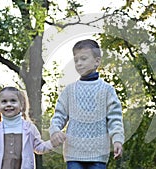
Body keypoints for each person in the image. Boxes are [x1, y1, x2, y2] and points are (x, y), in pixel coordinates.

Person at [49, 39, 124, 169]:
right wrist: (55, 131)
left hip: (98, 153)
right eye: (76, 60)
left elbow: (115, 118)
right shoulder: (69, 90)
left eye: (83, 58)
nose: (79, 63)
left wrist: (117, 139)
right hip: (73, 152)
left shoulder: (107, 90)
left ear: (97, 61)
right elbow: (59, 115)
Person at [0, 86, 53, 169]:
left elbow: (39, 148)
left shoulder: (29, 129)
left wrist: (52, 143)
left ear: (21, 104)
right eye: (4, 101)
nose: (9, 104)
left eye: (13, 101)